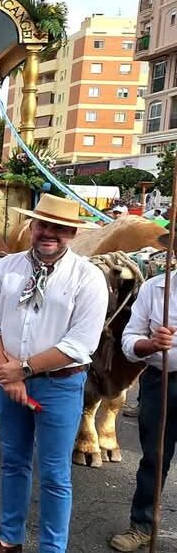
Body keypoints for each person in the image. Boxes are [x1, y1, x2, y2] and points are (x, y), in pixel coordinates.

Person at [0, 195, 107, 553]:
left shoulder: (88, 277)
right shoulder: (5, 268)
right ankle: (9, 539)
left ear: (72, 232)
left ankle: (52, 548)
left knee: (55, 474)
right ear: (31, 227)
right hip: (8, 381)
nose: (50, 233)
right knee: (13, 464)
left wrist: (24, 369)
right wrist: (10, 373)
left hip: (59, 385)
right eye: (43, 225)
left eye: (59, 227)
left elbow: (81, 344)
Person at [110, 231, 177, 552]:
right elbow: (128, 341)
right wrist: (150, 344)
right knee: (154, 457)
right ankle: (142, 526)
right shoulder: (155, 288)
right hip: (161, 382)